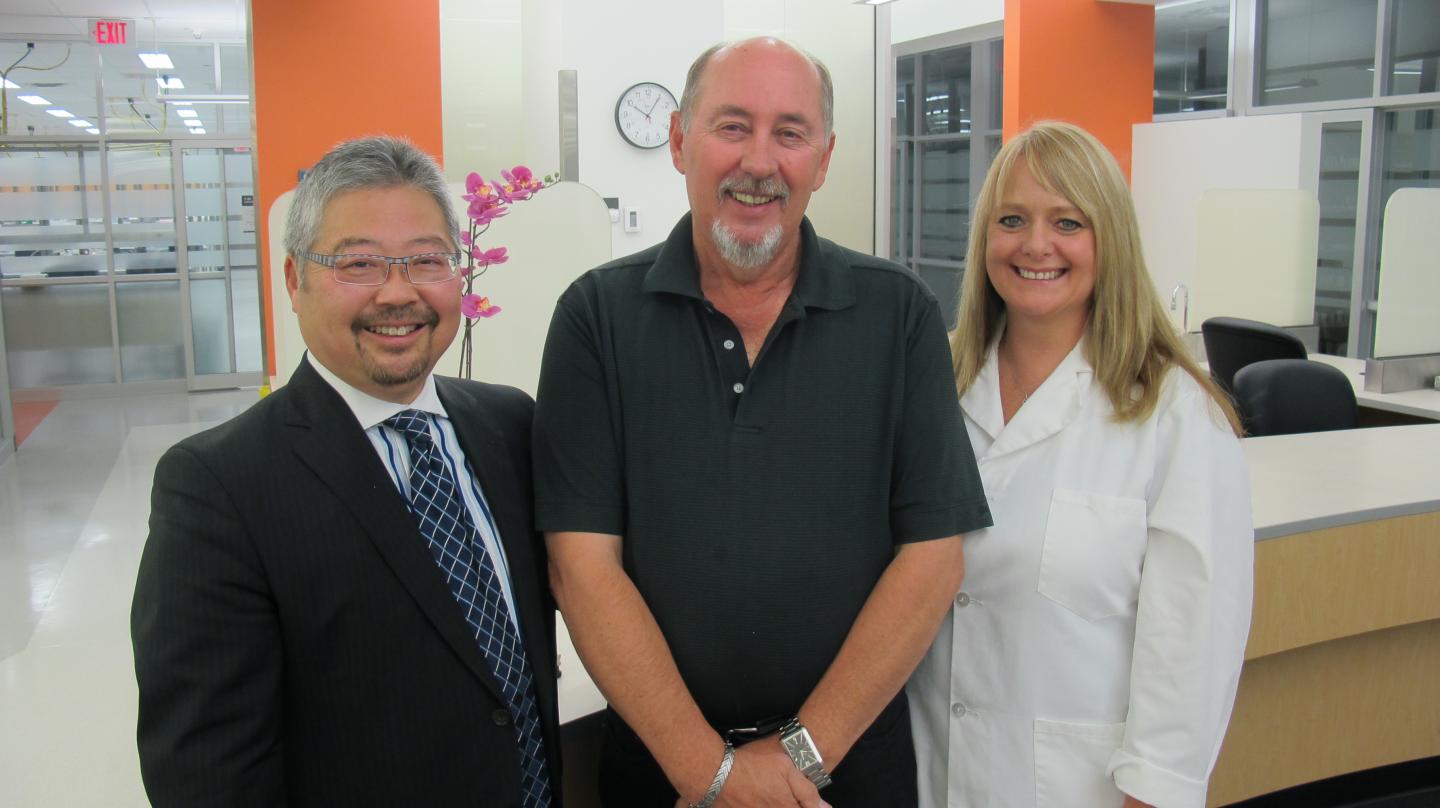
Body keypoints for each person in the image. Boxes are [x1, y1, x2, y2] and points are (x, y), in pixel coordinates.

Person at [533, 38, 992, 808]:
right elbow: (582, 569)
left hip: (848, 770)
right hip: (659, 770)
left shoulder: (899, 315)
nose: (759, 161)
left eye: (790, 132)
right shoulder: (596, 319)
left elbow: (933, 560)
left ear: (824, 156)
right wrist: (708, 774)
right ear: (680, 141)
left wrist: (797, 760)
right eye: (732, 126)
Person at [131, 136, 561, 808]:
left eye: (426, 260)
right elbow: (206, 770)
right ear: (293, 279)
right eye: (358, 263)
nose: (398, 292)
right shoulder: (218, 487)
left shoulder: (509, 425)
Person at [906, 121, 1253, 808]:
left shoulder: (1174, 413)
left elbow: (1192, 642)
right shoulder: (930, 383)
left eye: (1068, 221)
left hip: (1076, 788)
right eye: (1012, 220)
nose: (1036, 245)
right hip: (924, 773)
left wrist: (1155, 793)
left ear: (1110, 240)